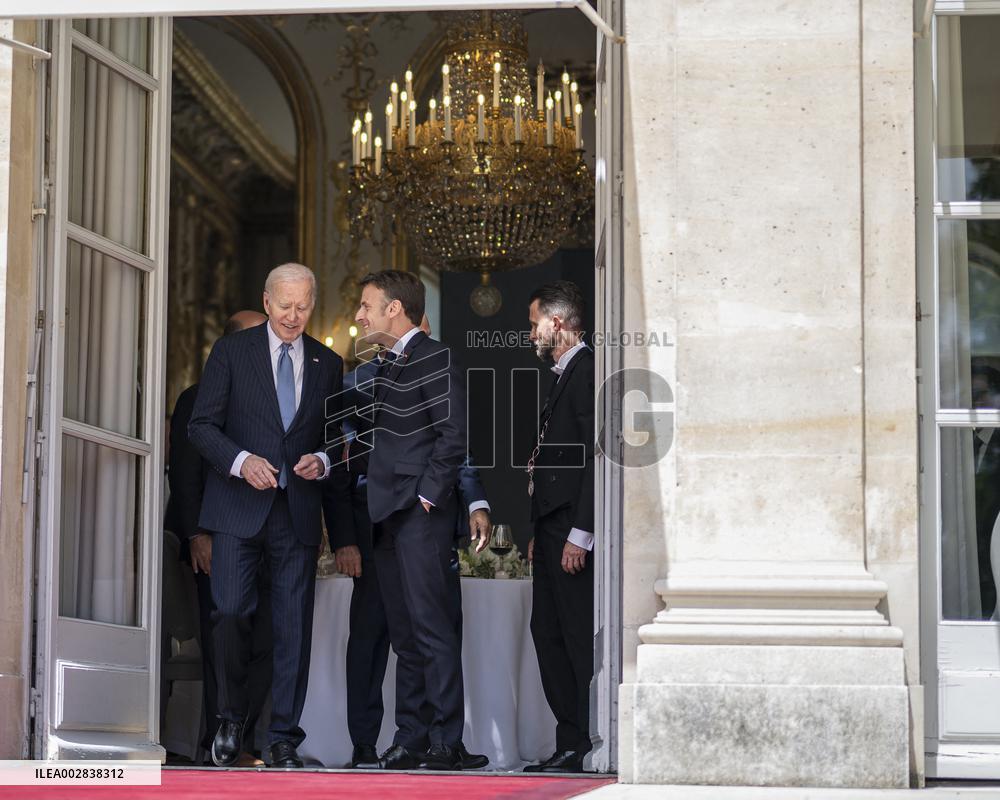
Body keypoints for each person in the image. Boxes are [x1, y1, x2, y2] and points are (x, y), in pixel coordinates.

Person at [188, 263, 351, 769]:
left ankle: (283, 737)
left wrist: (321, 459)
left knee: (292, 628)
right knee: (230, 612)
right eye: (285, 306)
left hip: (296, 512)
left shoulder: (328, 363)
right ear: (266, 302)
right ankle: (229, 717)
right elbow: (201, 426)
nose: (293, 316)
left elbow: (336, 437)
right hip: (237, 509)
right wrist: (241, 461)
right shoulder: (231, 351)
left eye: (303, 306)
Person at [327, 313, 491, 770]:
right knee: (390, 638)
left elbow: (452, 443)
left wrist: (461, 500)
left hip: (422, 518)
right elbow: (350, 453)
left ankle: (442, 740)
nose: (360, 316)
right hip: (376, 522)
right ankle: (392, 740)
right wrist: (343, 530)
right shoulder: (358, 381)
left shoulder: (434, 361)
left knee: (433, 630)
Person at [165, 310, 272, 766]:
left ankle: (243, 740)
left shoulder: (272, 399)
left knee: (264, 641)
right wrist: (197, 534)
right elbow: (185, 475)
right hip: (215, 537)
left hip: (266, 537)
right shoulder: (197, 397)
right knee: (221, 640)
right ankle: (218, 741)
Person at [523, 280, 595, 774]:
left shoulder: (586, 370)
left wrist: (579, 533)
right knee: (546, 632)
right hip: (552, 528)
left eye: (534, 325)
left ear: (557, 322)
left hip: (571, 532)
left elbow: (594, 458)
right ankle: (568, 740)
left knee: (570, 636)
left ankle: (583, 741)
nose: (531, 334)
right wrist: (540, 528)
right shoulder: (564, 372)